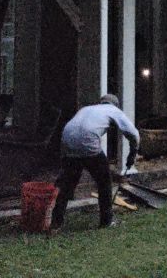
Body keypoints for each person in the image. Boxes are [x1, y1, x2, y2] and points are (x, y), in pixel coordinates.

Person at [50, 94, 139, 230]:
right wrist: (132, 155)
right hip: (88, 140)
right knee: (104, 182)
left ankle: (56, 223)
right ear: (115, 105)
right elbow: (133, 133)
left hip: (67, 138)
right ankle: (106, 221)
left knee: (67, 183)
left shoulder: (87, 108)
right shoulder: (114, 110)